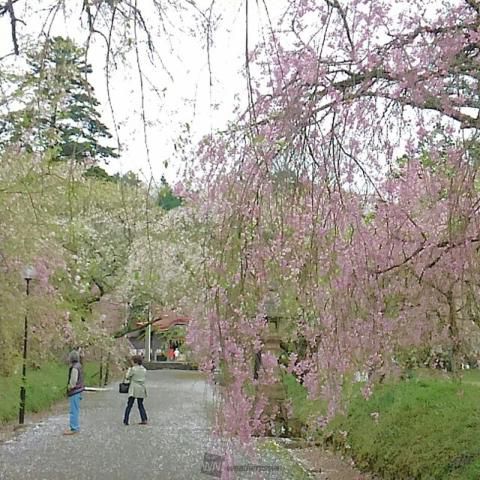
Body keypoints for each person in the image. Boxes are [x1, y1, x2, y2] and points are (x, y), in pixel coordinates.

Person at [123, 355, 148, 425]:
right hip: (142, 388)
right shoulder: (144, 369)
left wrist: (128, 370)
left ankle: (126, 420)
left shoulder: (133, 369)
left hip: (134, 388)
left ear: (135, 361)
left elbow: (127, 377)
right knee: (140, 404)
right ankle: (144, 418)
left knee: (129, 404)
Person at [64, 350, 84, 435]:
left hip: (75, 391)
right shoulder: (79, 366)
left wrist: (69, 387)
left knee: (73, 410)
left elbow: (73, 381)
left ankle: (74, 428)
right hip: (79, 390)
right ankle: (75, 426)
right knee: (76, 409)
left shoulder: (75, 368)